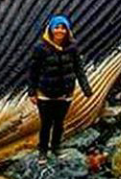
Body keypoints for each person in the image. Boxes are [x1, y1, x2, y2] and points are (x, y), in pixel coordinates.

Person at [28, 15, 93, 164]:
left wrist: (86, 88)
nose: (60, 30)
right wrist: (32, 92)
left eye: (63, 28)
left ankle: (56, 147)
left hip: (65, 93)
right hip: (45, 93)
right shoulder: (40, 48)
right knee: (46, 124)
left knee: (59, 123)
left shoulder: (72, 47)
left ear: (67, 30)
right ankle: (43, 151)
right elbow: (33, 71)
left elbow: (78, 69)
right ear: (50, 29)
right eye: (57, 27)